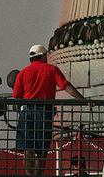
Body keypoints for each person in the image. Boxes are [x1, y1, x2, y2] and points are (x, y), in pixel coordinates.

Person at [12, 44, 85, 176]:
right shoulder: (51, 70)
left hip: (27, 111)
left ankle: (30, 175)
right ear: (44, 56)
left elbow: (16, 96)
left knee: (28, 148)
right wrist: (82, 99)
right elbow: (66, 86)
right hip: (44, 112)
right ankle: (38, 175)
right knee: (41, 150)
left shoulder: (22, 73)